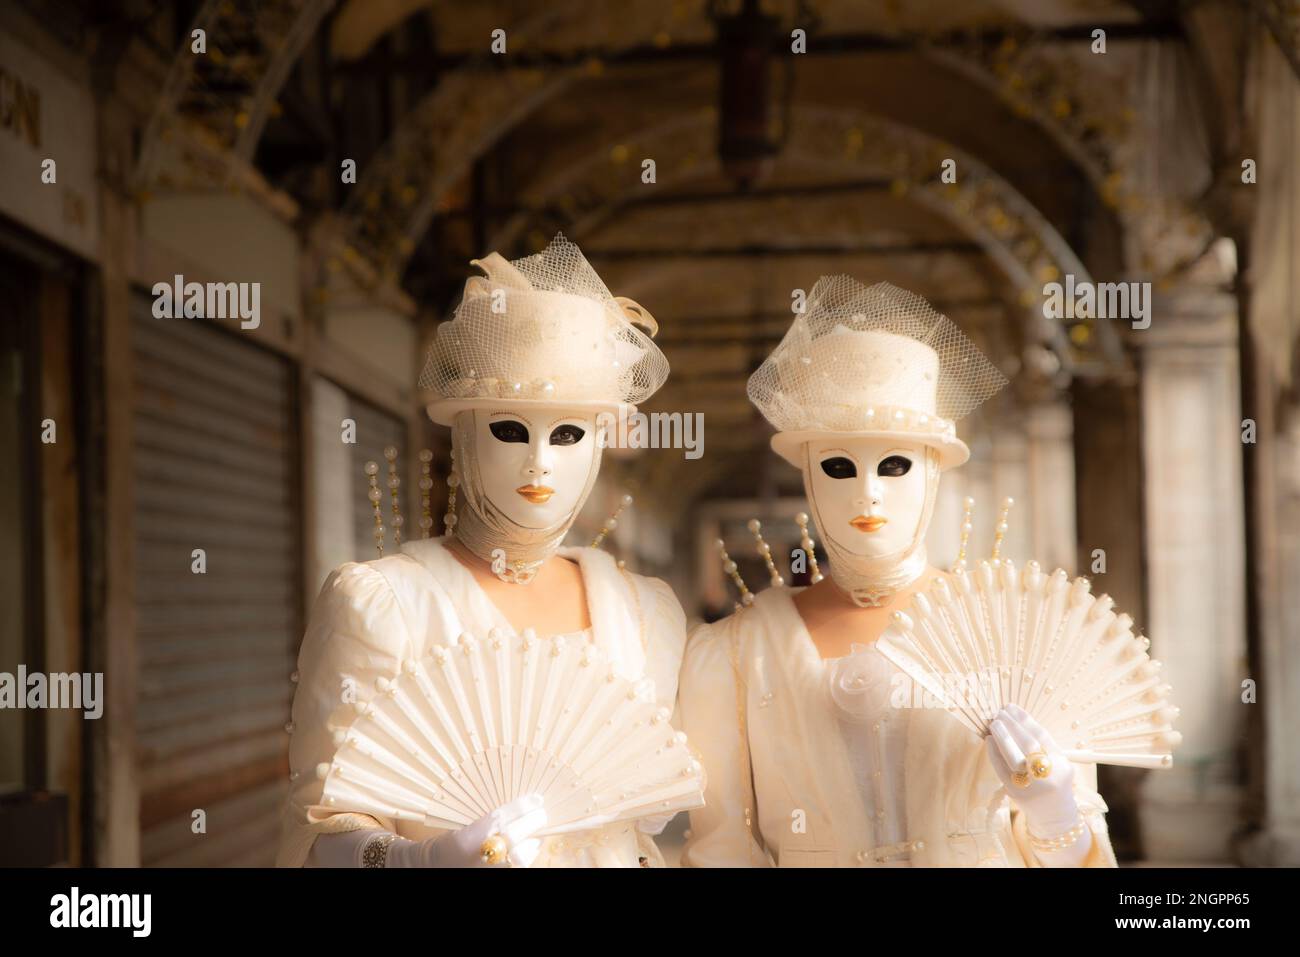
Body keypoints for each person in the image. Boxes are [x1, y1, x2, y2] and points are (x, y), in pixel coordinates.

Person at [679, 277, 1118, 867]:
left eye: (893, 465)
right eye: (838, 465)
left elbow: (1073, 856)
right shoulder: (735, 654)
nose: (868, 493)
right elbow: (722, 851)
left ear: (933, 471)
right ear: (807, 476)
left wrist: (1056, 812)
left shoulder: (1013, 633)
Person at [278, 234, 686, 868]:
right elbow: (319, 838)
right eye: (510, 427)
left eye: (569, 431)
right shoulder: (384, 605)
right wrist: (423, 861)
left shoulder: (646, 615)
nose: (539, 461)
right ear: (465, 431)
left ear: (600, 442)